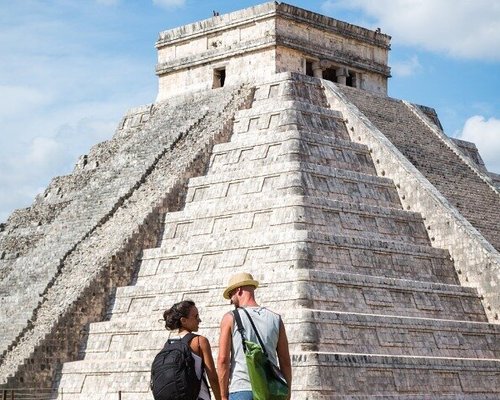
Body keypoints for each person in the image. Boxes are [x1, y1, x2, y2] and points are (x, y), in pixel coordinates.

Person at [217, 272, 292, 400]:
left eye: (231, 295)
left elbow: (223, 360)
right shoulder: (276, 319)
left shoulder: (230, 318)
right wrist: (287, 392)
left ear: (239, 290)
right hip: (270, 390)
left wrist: (223, 396)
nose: (230, 300)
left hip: (242, 388)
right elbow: (285, 361)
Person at [163, 300, 222, 400]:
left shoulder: (168, 344)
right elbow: (212, 378)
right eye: (196, 316)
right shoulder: (199, 341)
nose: (199, 320)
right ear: (183, 320)